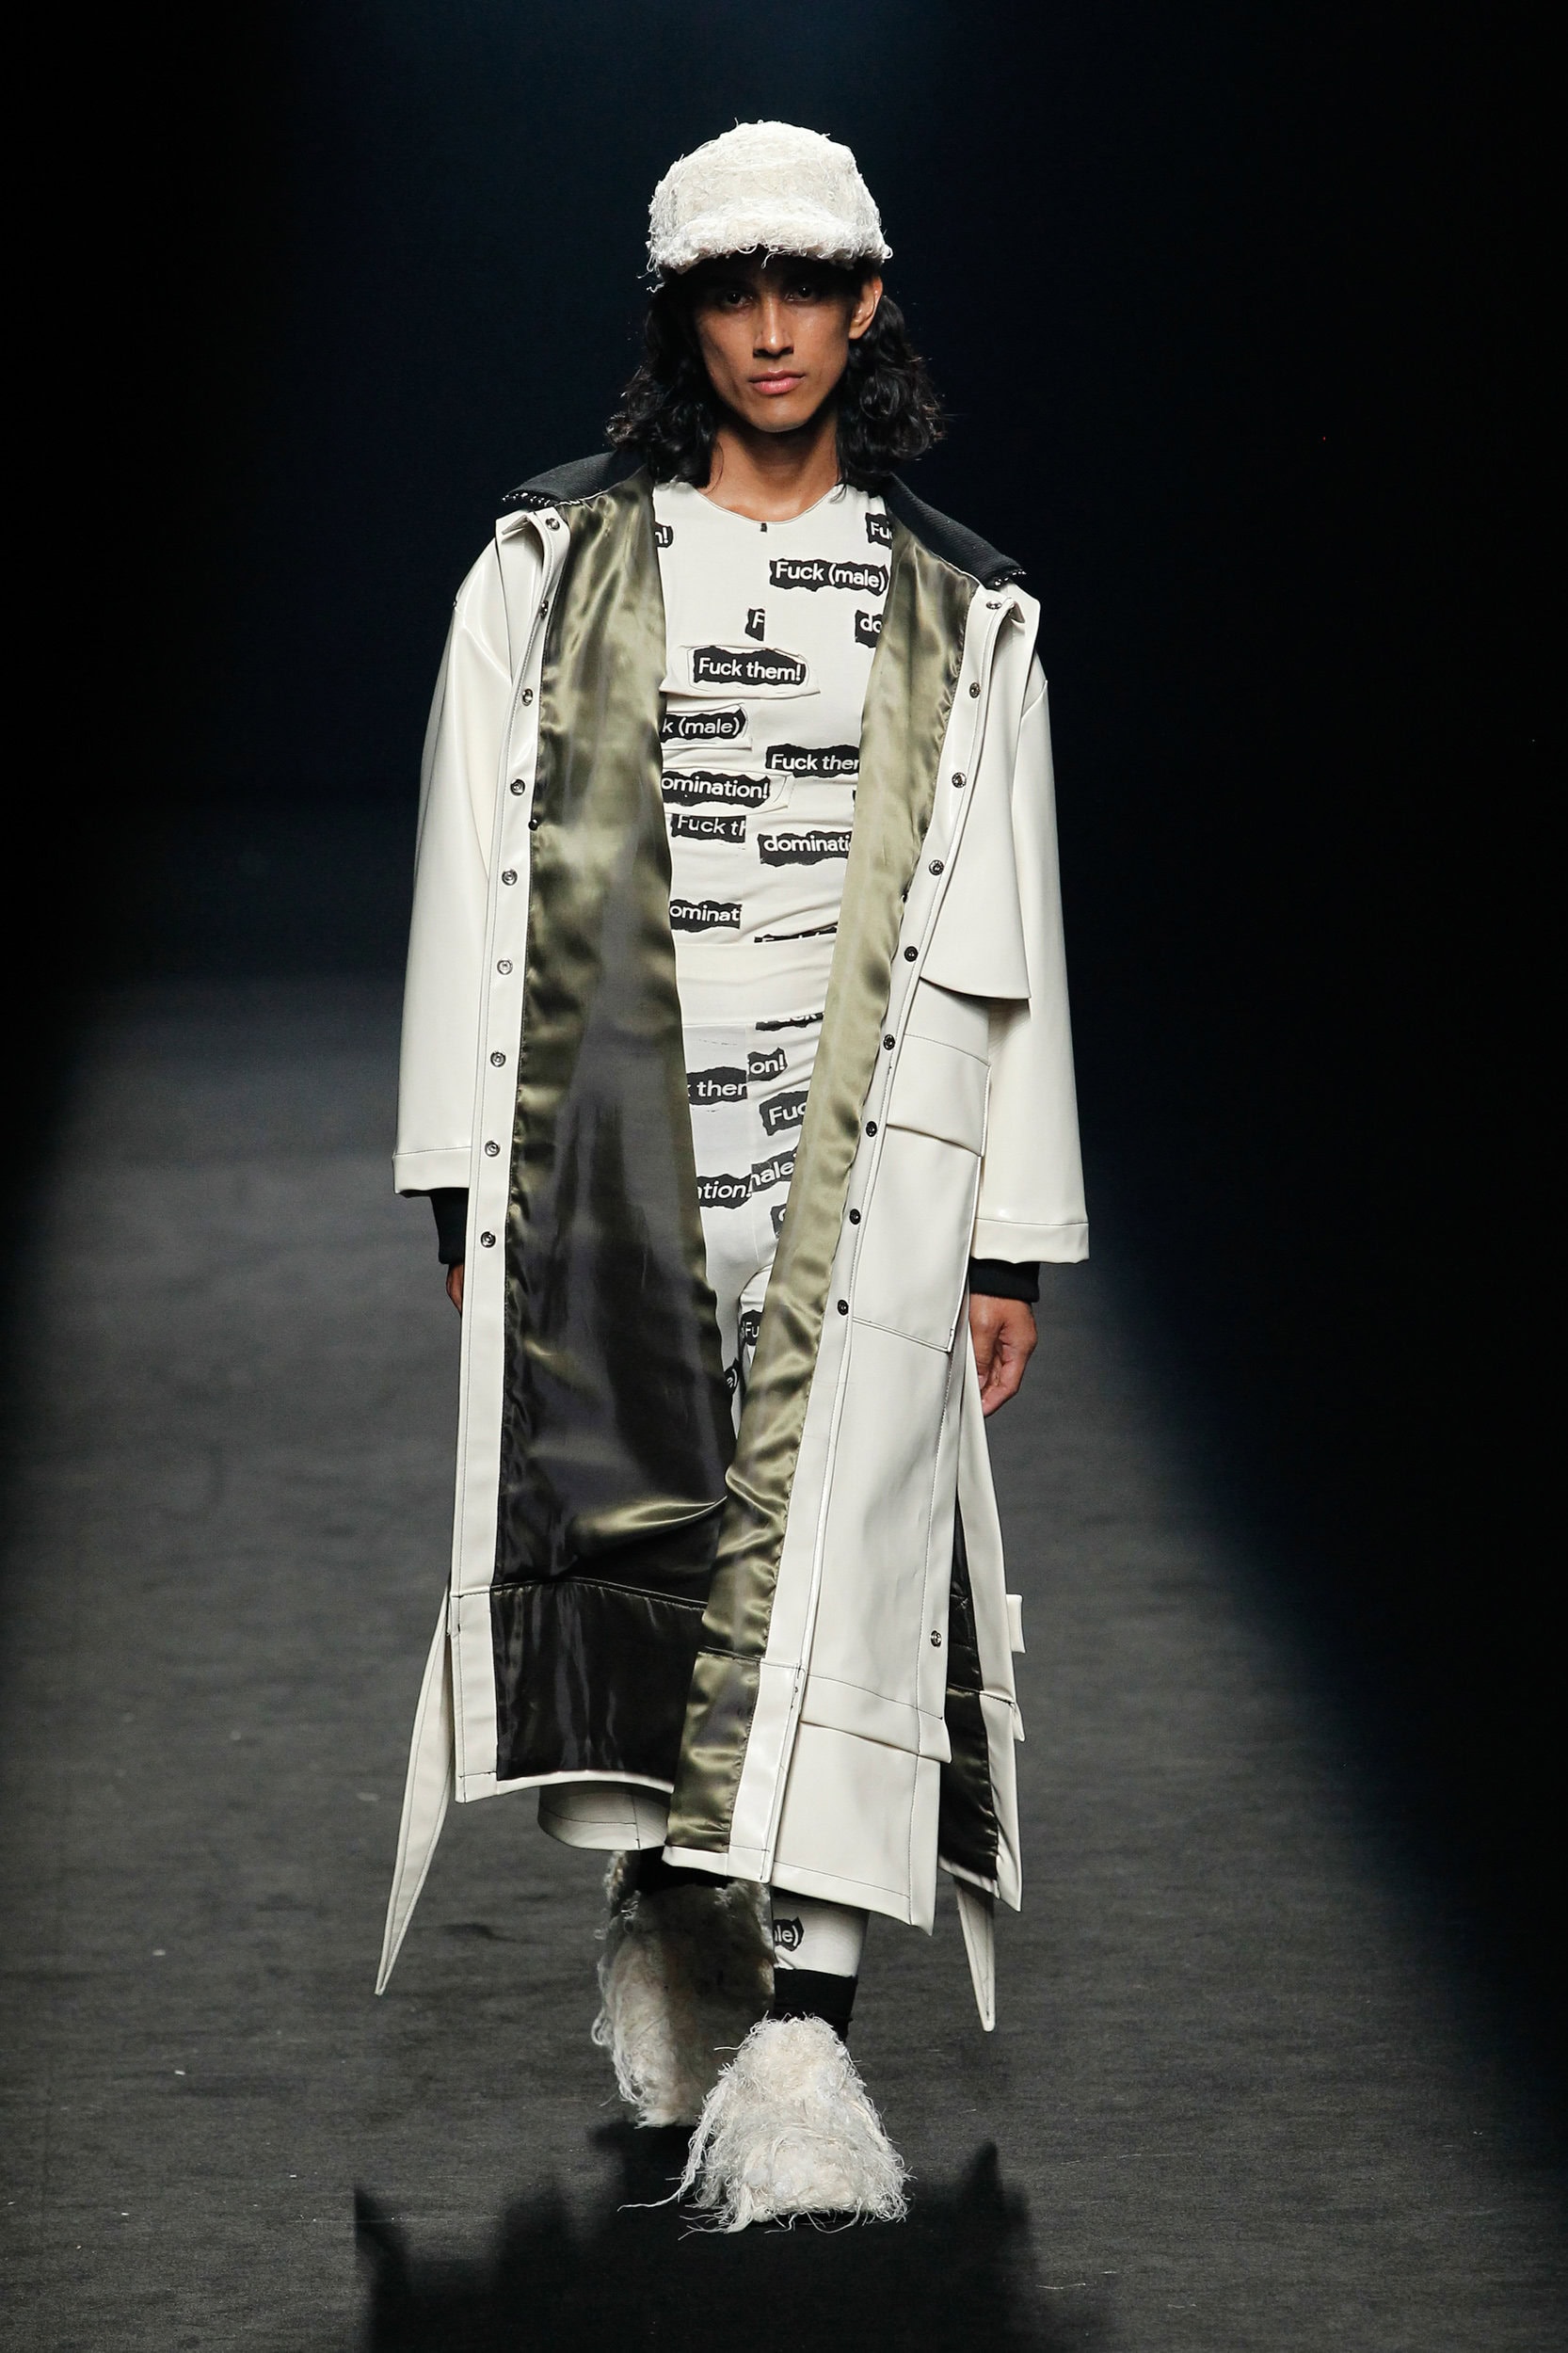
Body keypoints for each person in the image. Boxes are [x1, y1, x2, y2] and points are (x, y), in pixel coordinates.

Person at [377, 120, 1087, 2229]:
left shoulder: (963, 606)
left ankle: (804, 2039)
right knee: (647, 1545)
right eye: (726, 291)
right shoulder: (547, 567)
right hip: (608, 1146)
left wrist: (1016, 1235)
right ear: (679, 317)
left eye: (804, 289)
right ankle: (678, 1921)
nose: (770, 331)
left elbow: (1019, 929)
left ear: (866, 307)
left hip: (877, 1150)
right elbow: (467, 867)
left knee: (850, 1559)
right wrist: (461, 1187)